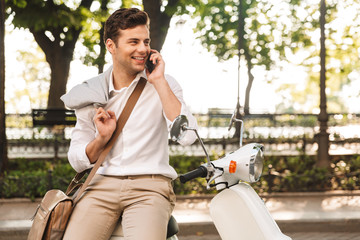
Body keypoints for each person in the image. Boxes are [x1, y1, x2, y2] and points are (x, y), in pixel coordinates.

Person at [60, 7, 197, 240]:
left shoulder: (165, 84)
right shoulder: (90, 93)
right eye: (133, 42)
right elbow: (77, 160)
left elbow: (188, 137)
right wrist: (101, 138)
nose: (143, 49)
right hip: (101, 186)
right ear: (111, 46)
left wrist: (158, 81)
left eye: (146, 41)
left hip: (150, 187)